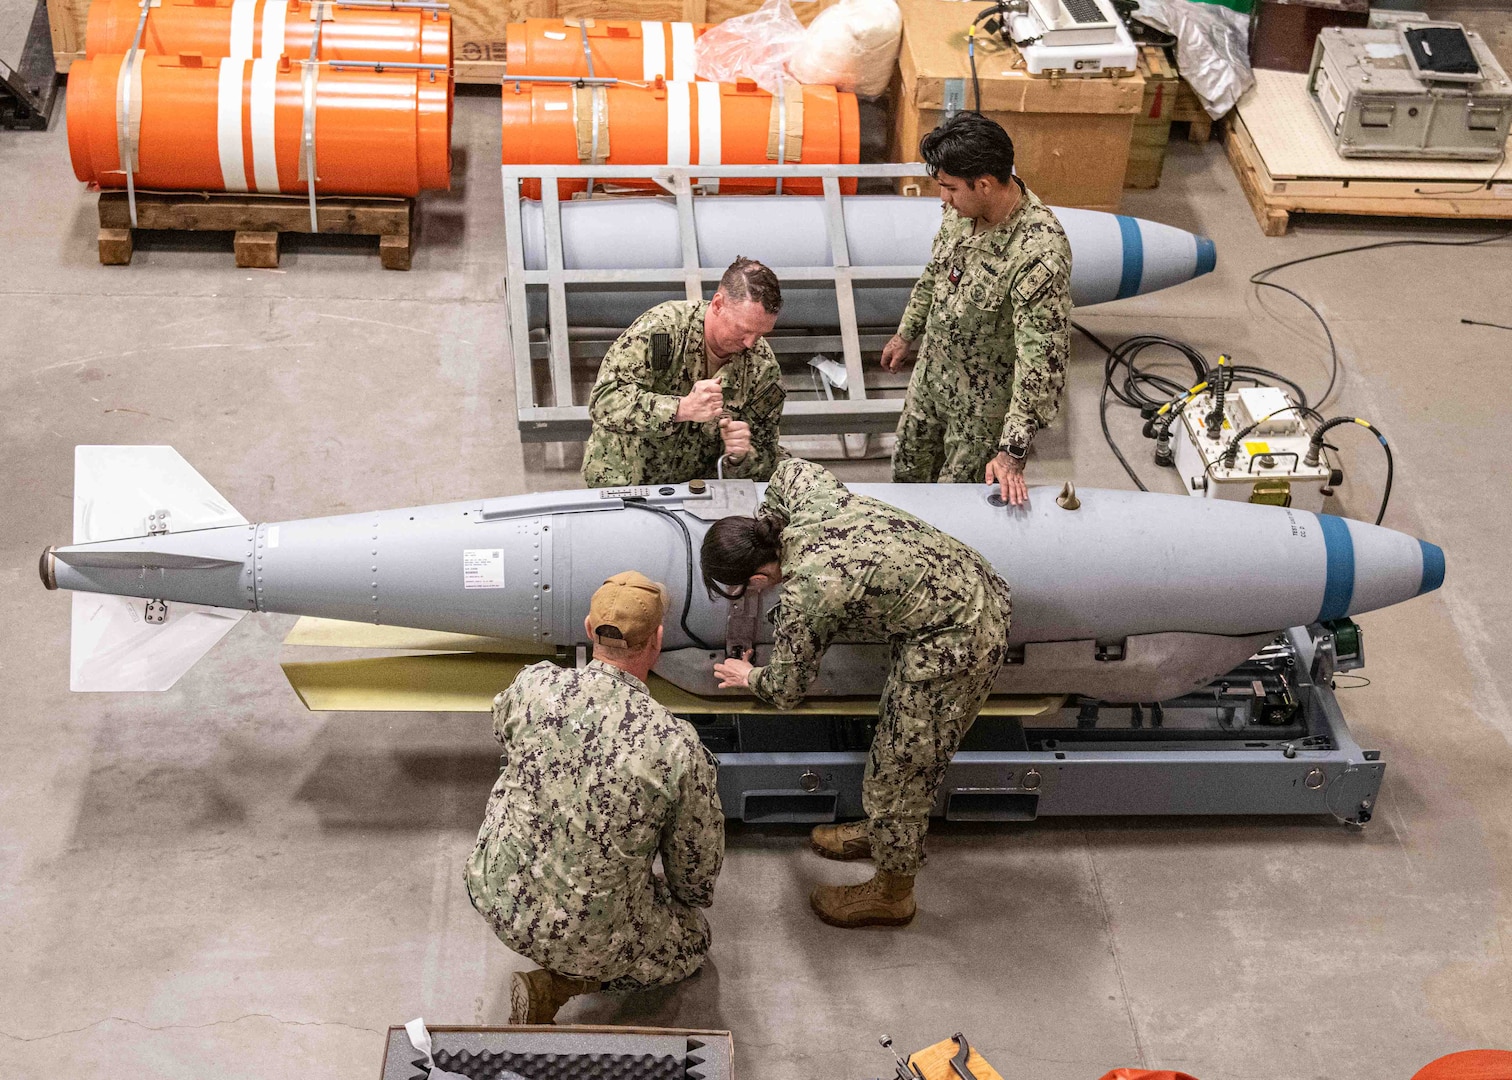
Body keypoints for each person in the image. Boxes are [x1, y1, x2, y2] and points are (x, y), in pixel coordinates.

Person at [700, 459, 1011, 929]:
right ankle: (881, 833)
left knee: (900, 769)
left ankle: (892, 893)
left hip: (960, 636)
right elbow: (787, 469)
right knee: (893, 740)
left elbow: (786, 689)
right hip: (970, 577)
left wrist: (749, 676)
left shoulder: (811, 589)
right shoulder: (808, 495)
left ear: (759, 581)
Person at [464, 571, 724, 1023]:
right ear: (657, 640)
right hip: (585, 935)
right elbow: (695, 881)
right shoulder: (674, 744)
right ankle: (565, 981)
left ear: (589, 629)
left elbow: (502, 731)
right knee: (692, 940)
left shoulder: (533, 686)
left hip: (493, 892)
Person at [882, 112, 1072, 507]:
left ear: (983, 184)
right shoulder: (961, 213)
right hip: (930, 382)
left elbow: (1042, 364)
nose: (943, 199)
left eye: (949, 188)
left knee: (955, 509)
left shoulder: (1038, 254)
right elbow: (936, 273)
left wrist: (1012, 452)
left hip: (979, 414)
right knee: (904, 483)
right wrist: (906, 332)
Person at [582, 257, 787, 487]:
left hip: (695, 495)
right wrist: (680, 409)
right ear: (718, 305)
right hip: (623, 484)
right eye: (743, 330)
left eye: (760, 334)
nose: (750, 343)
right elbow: (604, 402)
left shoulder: (762, 368)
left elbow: (766, 457)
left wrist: (740, 456)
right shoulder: (663, 330)